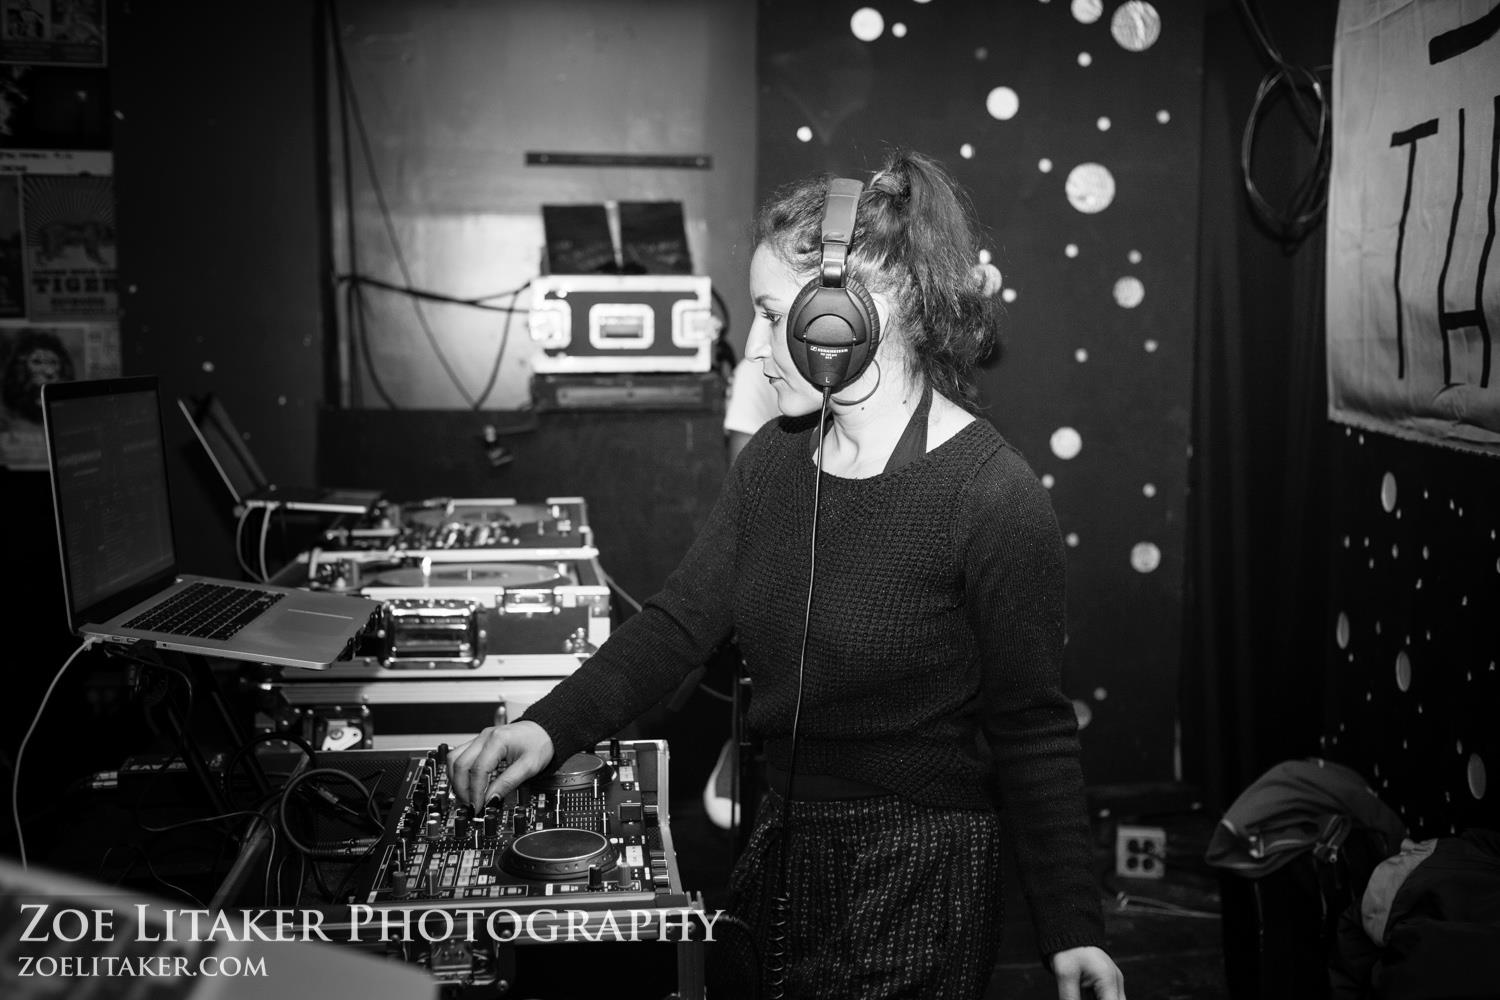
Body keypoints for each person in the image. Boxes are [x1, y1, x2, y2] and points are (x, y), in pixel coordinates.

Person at [450, 150, 1125, 1000]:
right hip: (781, 845)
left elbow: (1032, 729)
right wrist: (547, 729)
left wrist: (1072, 926)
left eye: (773, 317)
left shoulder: (993, 497)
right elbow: (677, 627)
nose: (758, 351)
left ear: (849, 318)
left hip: (918, 876)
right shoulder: (773, 463)